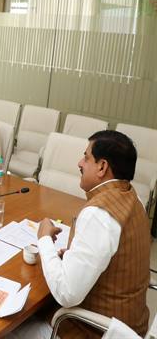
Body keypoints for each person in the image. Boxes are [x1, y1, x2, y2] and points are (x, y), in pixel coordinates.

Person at [11, 130, 150, 339]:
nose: (80, 163)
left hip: (94, 332)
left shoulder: (98, 215)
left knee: (9, 326)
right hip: (129, 327)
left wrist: (44, 238)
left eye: (86, 157)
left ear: (102, 167)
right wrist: (73, 256)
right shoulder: (133, 198)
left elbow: (66, 293)